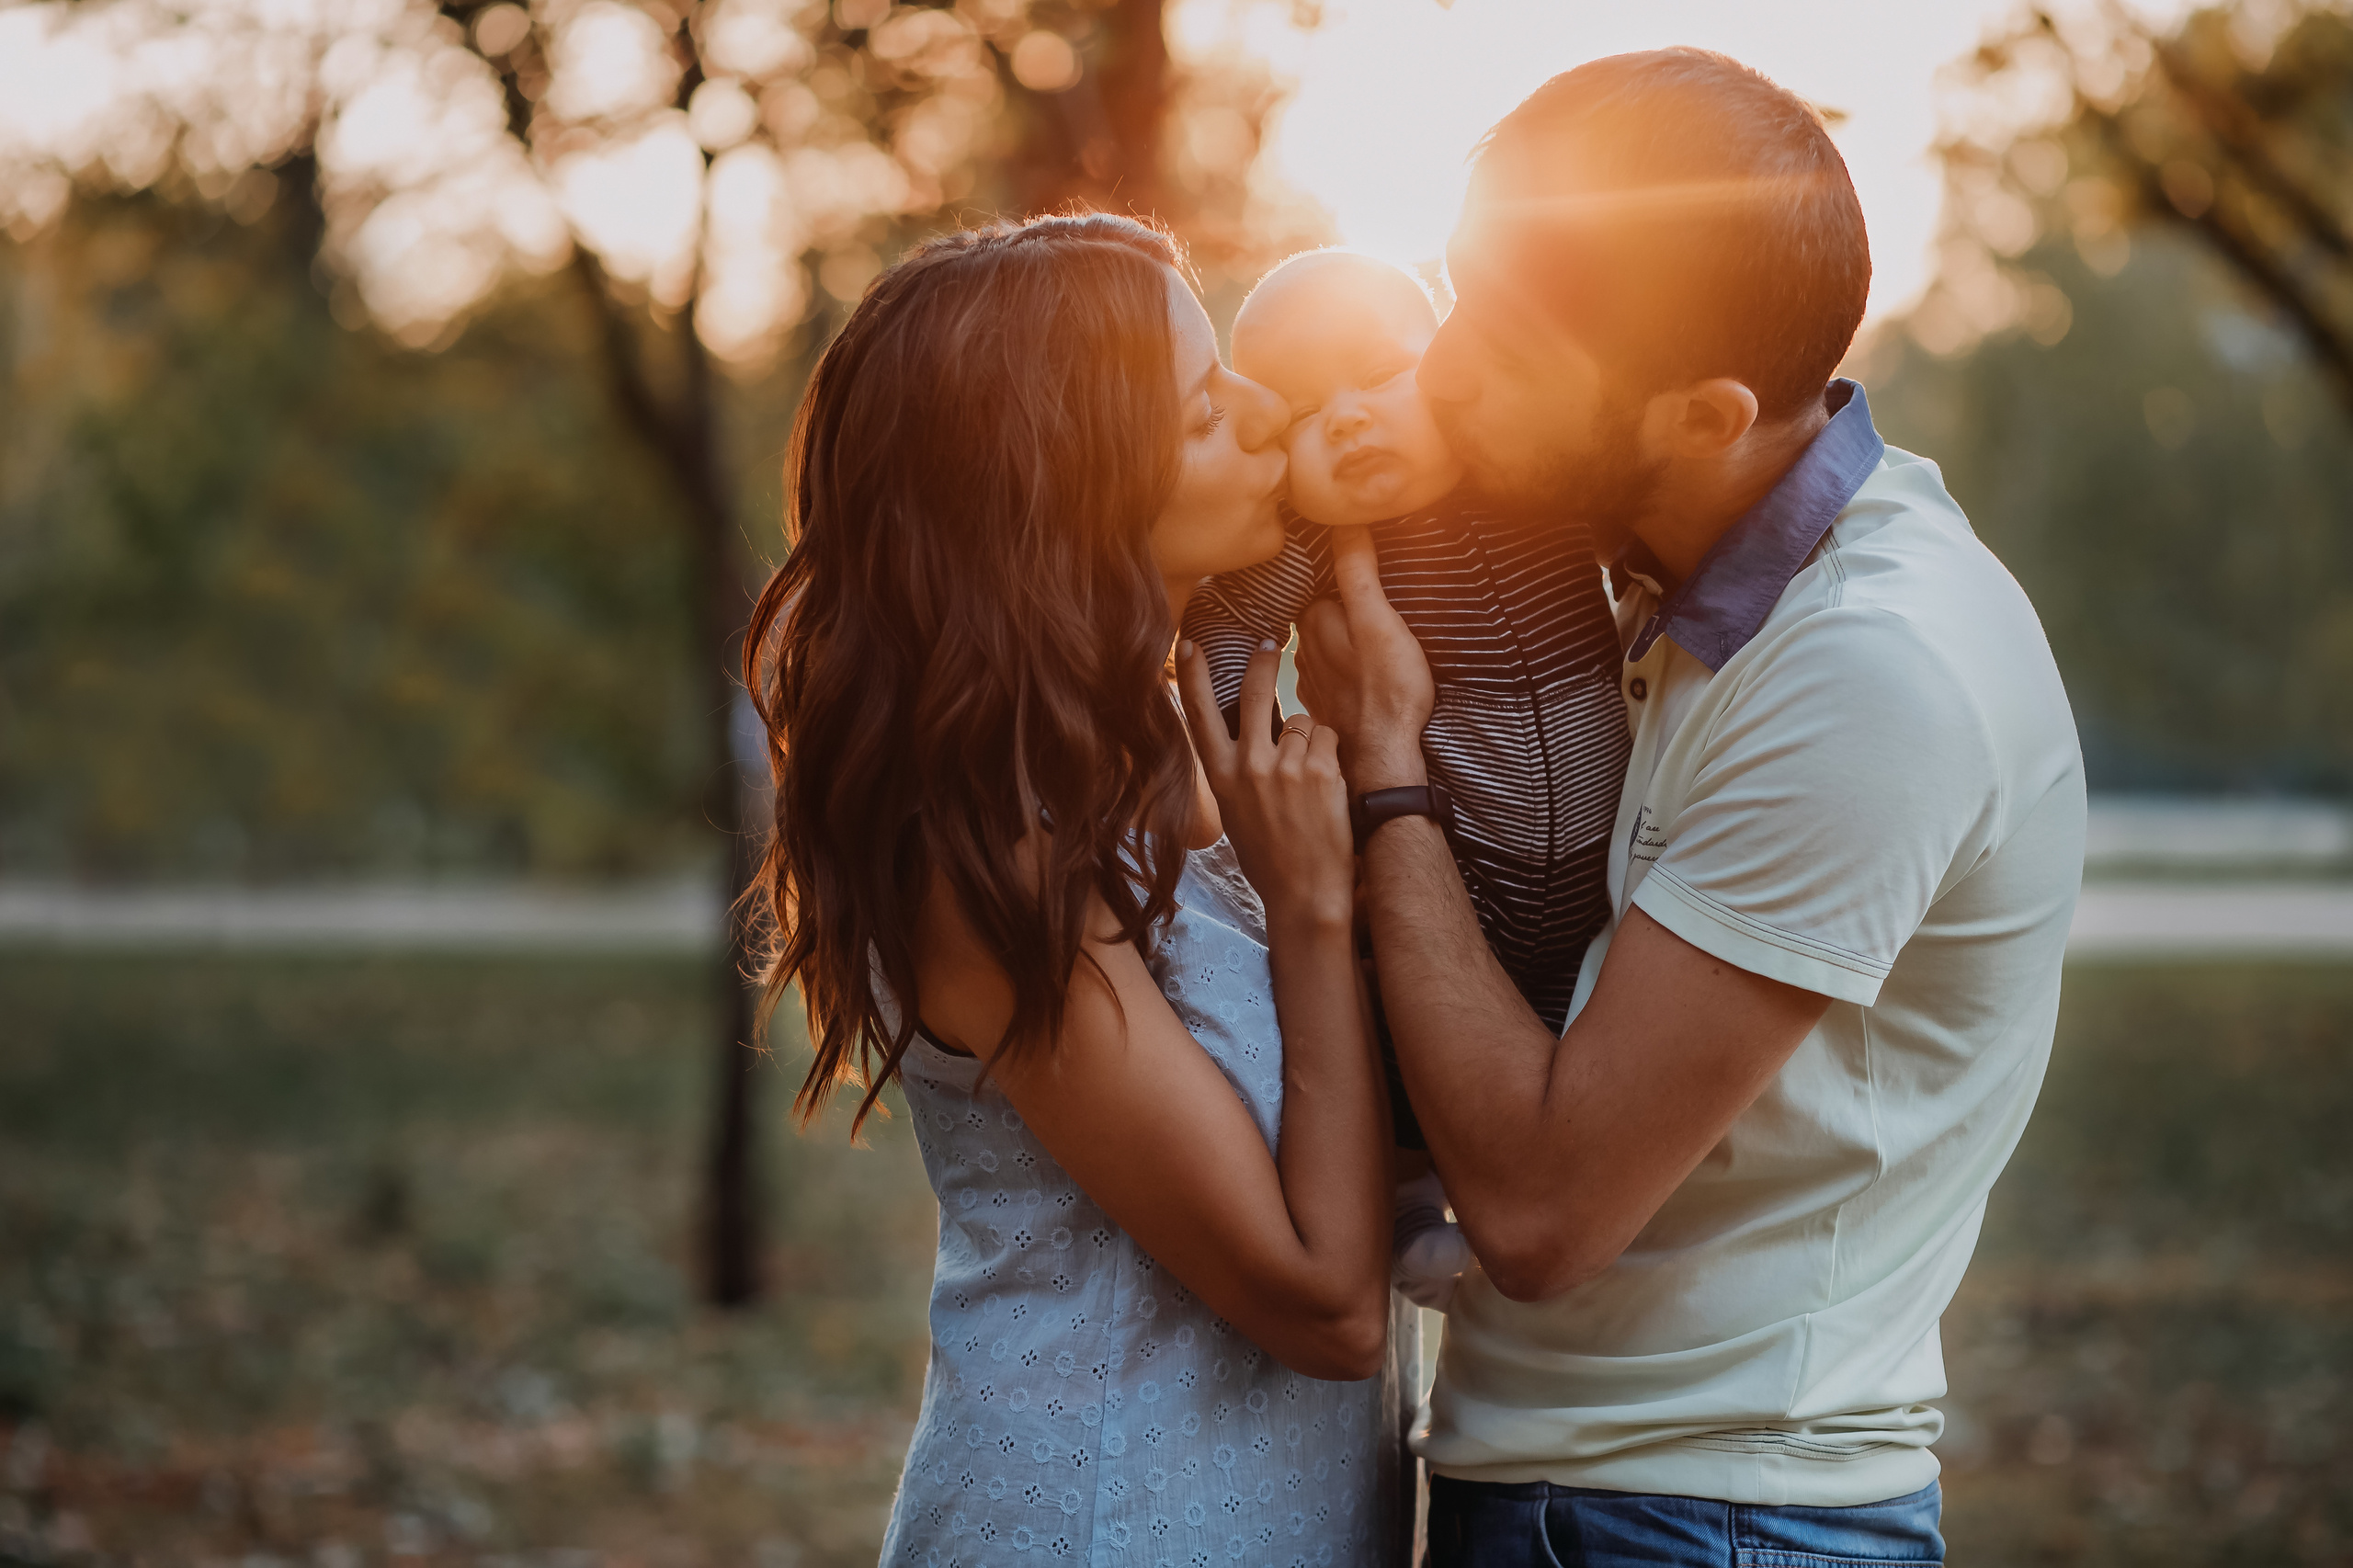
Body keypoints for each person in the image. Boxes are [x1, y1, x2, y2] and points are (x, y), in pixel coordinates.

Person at [1274, 49, 2087, 1565]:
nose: (1438, 369)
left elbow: (1537, 1212)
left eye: (1503, 349)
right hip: (1596, 1491)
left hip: (1697, 1515)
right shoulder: (1636, 588)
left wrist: (1390, 767)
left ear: (1703, 417)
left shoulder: (1869, 672)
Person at [741, 213, 1415, 1566]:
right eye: (1203, 410)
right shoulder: (985, 841)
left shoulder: (1190, 739)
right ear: (1064, 486)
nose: (1262, 413)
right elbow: (1325, 1303)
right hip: (1098, 1522)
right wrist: (1313, 909)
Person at [1180, 250, 1631, 1310]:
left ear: (1451, 369)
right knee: (1411, 1002)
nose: (1342, 418)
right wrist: (1288, 762)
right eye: (1298, 407)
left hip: (1608, 869)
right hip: (1450, 860)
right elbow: (1221, 633)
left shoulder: (1536, 474)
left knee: (1583, 1026)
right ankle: (1412, 1188)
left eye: (1377, 376)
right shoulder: (1319, 534)